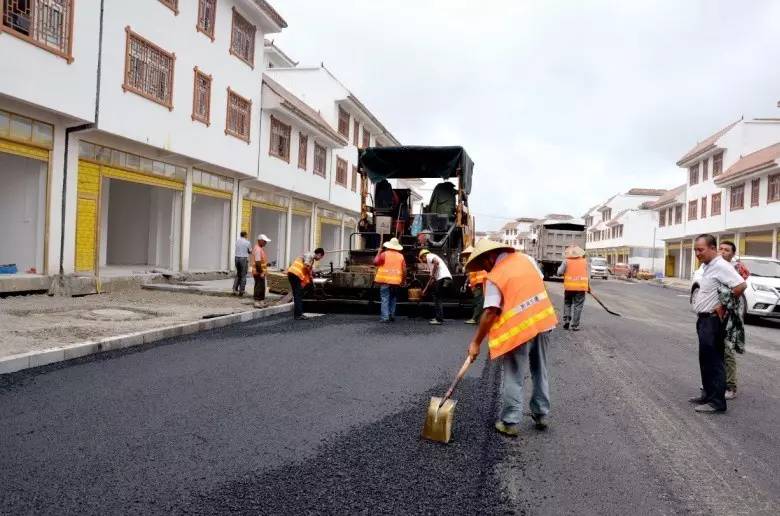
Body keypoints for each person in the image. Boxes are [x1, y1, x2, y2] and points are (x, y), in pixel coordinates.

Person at [464, 239, 557, 437]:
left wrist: (476, 343)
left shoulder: (495, 277)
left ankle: (509, 421)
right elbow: (537, 284)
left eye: (484, 265)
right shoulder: (527, 259)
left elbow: (490, 312)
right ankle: (541, 414)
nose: (485, 270)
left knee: (514, 374)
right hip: (544, 320)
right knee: (540, 369)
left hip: (520, 329)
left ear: (489, 257)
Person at [689, 234, 747, 414]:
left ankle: (717, 402)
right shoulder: (708, 266)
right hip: (704, 319)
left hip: (713, 321)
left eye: (701, 250)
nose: (697, 253)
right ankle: (707, 394)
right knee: (705, 360)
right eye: (696, 250)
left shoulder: (721, 265)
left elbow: (740, 285)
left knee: (714, 361)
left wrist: (723, 305)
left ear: (712, 248)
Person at [718, 240, 750, 400]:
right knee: (714, 349)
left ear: (732, 254)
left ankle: (731, 386)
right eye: (721, 249)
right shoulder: (712, 266)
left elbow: (737, 289)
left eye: (727, 250)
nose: (723, 252)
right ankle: (716, 382)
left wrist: (725, 304)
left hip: (729, 313)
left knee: (727, 349)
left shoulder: (736, 269)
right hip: (714, 313)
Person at [557, 245, 590, 331]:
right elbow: (587, 276)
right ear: (579, 253)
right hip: (581, 288)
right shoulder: (585, 262)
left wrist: (561, 271)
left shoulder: (566, 261)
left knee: (567, 304)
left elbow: (559, 272)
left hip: (569, 288)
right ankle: (575, 325)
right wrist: (588, 287)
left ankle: (567, 320)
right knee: (578, 306)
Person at [287, 248, 325, 320]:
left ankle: (297, 314)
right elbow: (306, 265)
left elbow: (309, 268)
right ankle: (298, 315)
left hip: (292, 274)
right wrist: (310, 275)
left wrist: (312, 273)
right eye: (320, 257)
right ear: (319, 254)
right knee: (298, 295)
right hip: (296, 274)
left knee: (297, 294)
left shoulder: (311, 258)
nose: (319, 259)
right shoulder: (309, 255)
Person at [374, 237, 406, 322]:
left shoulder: (384, 254)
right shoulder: (401, 256)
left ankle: (385, 317)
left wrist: (378, 252)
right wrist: (403, 280)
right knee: (393, 298)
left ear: (389, 246)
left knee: (385, 298)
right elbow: (404, 270)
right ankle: (391, 315)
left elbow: (376, 262)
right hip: (396, 282)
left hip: (385, 281)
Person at [419, 249, 452, 325]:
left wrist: (433, 275)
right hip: (446, 279)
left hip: (442, 278)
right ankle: (439, 317)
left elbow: (436, 262)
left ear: (423, 256)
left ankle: (439, 319)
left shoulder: (429, 256)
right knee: (437, 297)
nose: (423, 262)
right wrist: (425, 290)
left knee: (437, 298)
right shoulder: (431, 265)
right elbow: (431, 280)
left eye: (422, 259)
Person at [461, 246, 487, 325]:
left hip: (479, 282)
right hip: (480, 282)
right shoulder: (477, 260)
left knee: (478, 302)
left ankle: (475, 319)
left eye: (467, 254)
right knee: (479, 301)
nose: (466, 256)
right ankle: (478, 319)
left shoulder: (473, 260)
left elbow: (471, 274)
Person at [251, 234, 271, 303]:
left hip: (259, 271)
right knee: (260, 287)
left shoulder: (259, 249)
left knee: (259, 286)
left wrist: (266, 264)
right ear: (260, 241)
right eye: (264, 241)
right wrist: (261, 272)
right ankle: (258, 300)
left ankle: (258, 300)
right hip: (258, 272)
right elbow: (257, 263)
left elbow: (260, 261)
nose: (266, 243)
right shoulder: (258, 249)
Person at [233, 231, 252, 296]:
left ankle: (234, 289)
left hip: (236, 258)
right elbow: (250, 251)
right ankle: (242, 290)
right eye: (247, 235)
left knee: (238, 274)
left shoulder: (237, 241)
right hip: (243, 259)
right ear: (245, 235)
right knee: (243, 275)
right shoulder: (247, 242)